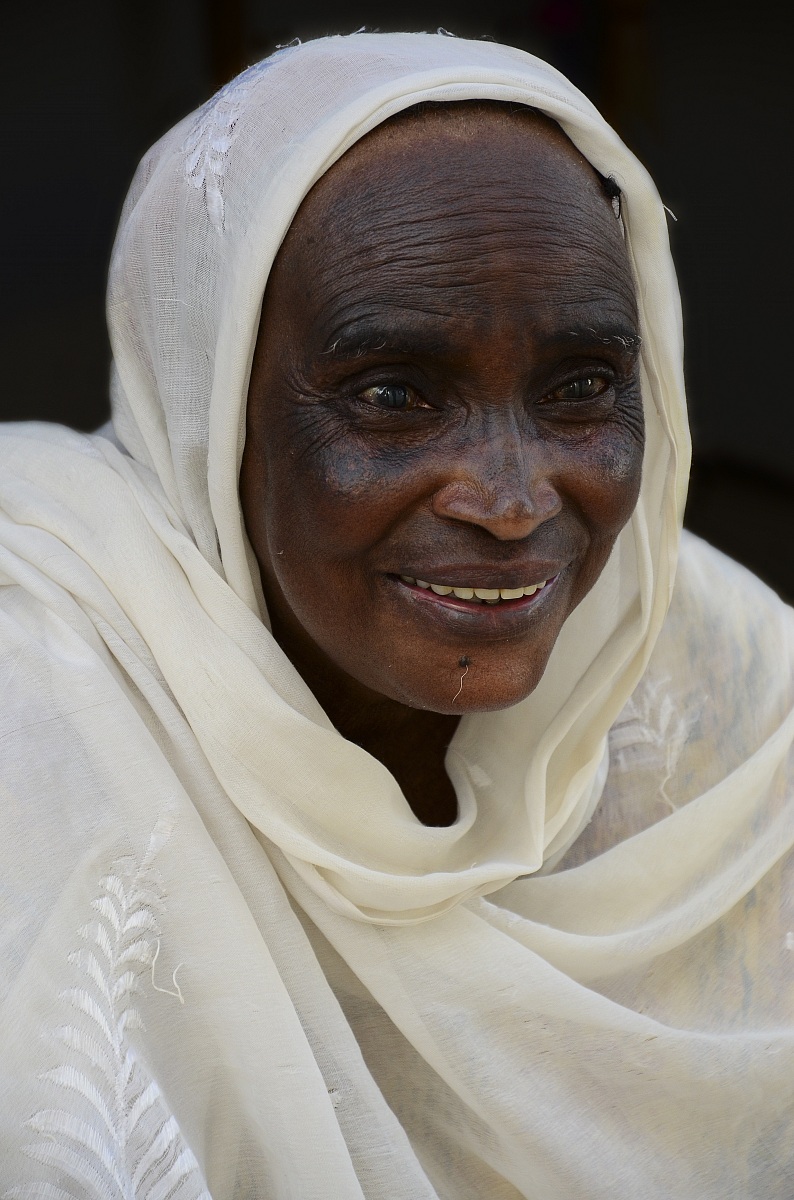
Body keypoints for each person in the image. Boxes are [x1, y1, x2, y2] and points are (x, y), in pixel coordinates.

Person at [0, 31, 791, 1199]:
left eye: (579, 388)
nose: (512, 502)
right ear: (212, 412)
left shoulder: (721, 678)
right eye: (391, 395)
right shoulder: (43, 684)